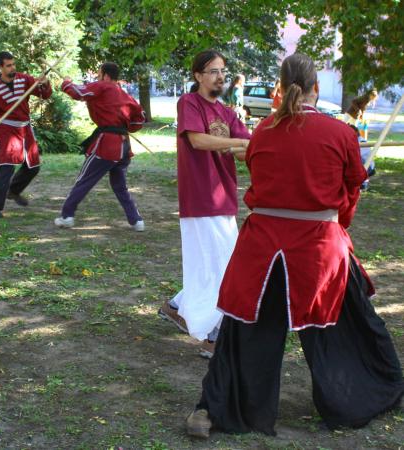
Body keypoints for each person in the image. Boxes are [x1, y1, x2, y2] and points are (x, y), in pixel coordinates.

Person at [186, 53, 403, 438]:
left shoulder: (265, 131)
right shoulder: (340, 134)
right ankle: (364, 393)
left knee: (245, 330)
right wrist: (356, 182)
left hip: (264, 249)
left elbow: (269, 177)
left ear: (281, 88)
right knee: (344, 324)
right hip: (317, 249)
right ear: (317, 89)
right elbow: (348, 188)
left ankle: (216, 408)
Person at [158, 50, 251, 358]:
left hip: (224, 198)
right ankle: (214, 335)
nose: (220, 76)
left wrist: (269, 143)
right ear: (198, 75)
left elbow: (243, 152)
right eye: (213, 71)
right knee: (225, 266)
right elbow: (197, 140)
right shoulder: (189, 103)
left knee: (223, 264)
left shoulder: (227, 113)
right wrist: (239, 143)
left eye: (223, 70)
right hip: (200, 197)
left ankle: (176, 306)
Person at [54, 62, 145, 231]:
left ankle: (67, 216)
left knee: (85, 179)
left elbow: (78, 92)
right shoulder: (125, 95)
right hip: (124, 145)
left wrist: (66, 83)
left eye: (98, 73)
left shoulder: (103, 85)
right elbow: (139, 119)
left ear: (105, 75)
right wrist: (123, 127)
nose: (96, 76)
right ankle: (136, 220)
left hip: (107, 144)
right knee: (120, 185)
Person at [0, 51, 52, 218]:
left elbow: (44, 94)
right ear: (0, 67)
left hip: (25, 128)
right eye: (8, 65)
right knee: (5, 168)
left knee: (33, 167)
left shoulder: (24, 80)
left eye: (13, 64)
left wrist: (44, 83)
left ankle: (13, 190)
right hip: (8, 130)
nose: (12, 68)